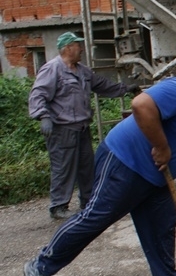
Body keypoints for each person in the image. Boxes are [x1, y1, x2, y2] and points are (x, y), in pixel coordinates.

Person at [22, 54, 176, 276]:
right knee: (96, 217)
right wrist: (161, 146)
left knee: (162, 225)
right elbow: (141, 105)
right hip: (125, 162)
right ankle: (40, 266)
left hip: (157, 176)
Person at [28, 32, 139, 219]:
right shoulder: (52, 69)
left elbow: (102, 85)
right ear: (68, 47)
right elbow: (38, 94)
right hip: (62, 129)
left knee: (87, 167)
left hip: (81, 127)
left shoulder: (82, 71)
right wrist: (42, 116)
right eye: (78, 45)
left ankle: (88, 201)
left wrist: (125, 89)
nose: (81, 49)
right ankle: (58, 206)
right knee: (63, 167)